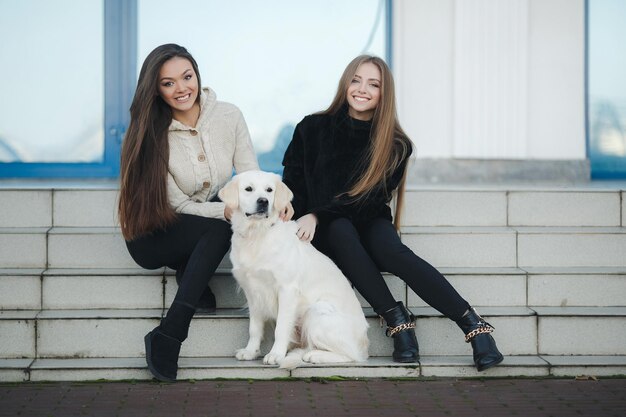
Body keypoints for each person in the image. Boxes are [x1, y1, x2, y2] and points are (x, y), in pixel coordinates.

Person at [281, 55, 503, 371]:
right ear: (346, 82)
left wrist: (318, 213)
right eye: (356, 80)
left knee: (390, 249)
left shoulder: (396, 143)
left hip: (367, 217)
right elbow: (293, 186)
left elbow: (368, 200)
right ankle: (398, 321)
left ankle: (473, 325)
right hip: (328, 232)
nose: (362, 89)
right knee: (340, 229)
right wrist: (304, 214)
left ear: (385, 94)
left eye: (374, 84)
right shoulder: (311, 127)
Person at [118, 44, 293, 382]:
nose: (181, 88)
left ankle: (192, 273)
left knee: (220, 225)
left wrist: (273, 202)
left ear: (197, 75)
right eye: (168, 83)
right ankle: (169, 335)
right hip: (153, 233)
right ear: (155, 88)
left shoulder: (229, 116)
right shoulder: (149, 131)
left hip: (197, 221)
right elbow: (181, 207)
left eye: (187, 77)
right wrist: (230, 211)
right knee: (218, 227)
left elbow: (248, 177)